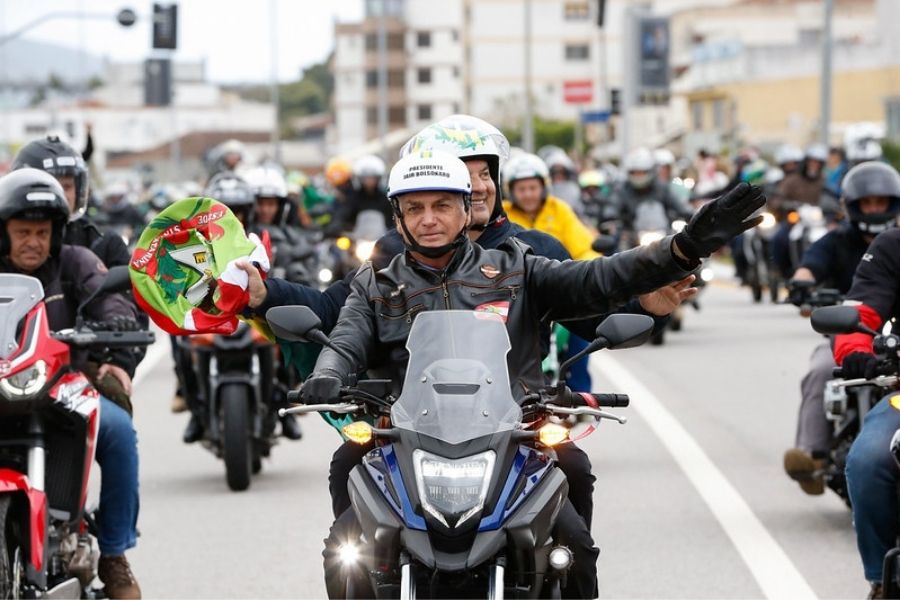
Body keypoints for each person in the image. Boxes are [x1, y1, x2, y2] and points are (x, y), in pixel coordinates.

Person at [296, 149, 763, 599]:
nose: (429, 219)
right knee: (346, 501)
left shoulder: (516, 268)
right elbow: (346, 339)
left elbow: (602, 278)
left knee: (575, 483)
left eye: (442, 205)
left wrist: (683, 248)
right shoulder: (376, 283)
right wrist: (328, 374)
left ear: (466, 208)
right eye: (414, 208)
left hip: (514, 428)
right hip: (405, 436)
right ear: (398, 218)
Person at [243, 115, 685, 532]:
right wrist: (265, 295)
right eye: (463, 175)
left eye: (485, 174)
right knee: (347, 468)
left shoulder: (529, 252)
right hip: (409, 424)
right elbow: (333, 312)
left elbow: (591, 310)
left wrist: (646, 304)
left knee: (573, 468)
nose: (477, 187)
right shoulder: (390, 258)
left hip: (515, 420)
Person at [0, 168, 143, 599]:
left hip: (63, 380)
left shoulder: (76, 261)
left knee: (117, 433)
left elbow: (107, 291)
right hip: (3, 380)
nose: (33, 241)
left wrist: (115, 317)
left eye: (42, 232)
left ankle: (114, 554)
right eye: (22, 231)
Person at [782, 161, 900, 495]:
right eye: (868, 203)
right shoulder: (836, 241)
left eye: (882, 202)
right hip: (850, 332)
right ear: (853, 205)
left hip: (893, 340)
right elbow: (810, 266)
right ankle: (813, 454)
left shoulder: (893, 242)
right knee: (821, 369)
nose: (875, 209)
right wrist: (801, 283)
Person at [829, 225, 900, 599]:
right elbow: (862, 310)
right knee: (869, 459)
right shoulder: (893, 245)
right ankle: (883, 580)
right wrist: (858, 353)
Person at [502, 152, 600, 391]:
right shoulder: (502, 215)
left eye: (532, 187)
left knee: (582, 328)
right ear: (510, 190)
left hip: (558, 288)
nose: (527, 194)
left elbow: (583, 248)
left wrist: (586, 274)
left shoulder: (561, 210)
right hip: (517, 295)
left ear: (544, 187)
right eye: (521, 188)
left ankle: (580, 392)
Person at [12, 136, 131, 269]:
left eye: (67, 186)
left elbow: (126, 286)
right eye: (51, 185)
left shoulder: (103, 242)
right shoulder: (5, 242)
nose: (60, 194)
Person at [610, 147, 692, 247]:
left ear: (651, 171)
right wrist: (611, 218)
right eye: (635, 172)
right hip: (632, 238)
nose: (638, 176)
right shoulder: (623, 190)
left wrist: (691, 215)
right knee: (618, 250)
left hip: (663, 235)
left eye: (642, 172)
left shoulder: (661, 187)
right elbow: (612, 208)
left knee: (684, 251)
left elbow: (679, 206)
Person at [334, 155, 393, 233]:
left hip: (383, 239)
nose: (369, 181)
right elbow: (343, 213)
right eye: (365, 178)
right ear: (359, 179)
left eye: (373, 177)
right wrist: (336, 224)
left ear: (379, 178)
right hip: (358, 240)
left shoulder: (385, 198)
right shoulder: (353, 198)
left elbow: (393, 218)